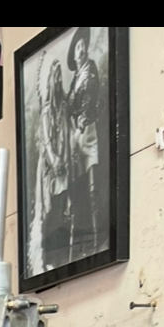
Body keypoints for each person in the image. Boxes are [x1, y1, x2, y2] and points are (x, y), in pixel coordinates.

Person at [30, 53, 70, 274]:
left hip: (63, 167)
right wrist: (55, 161)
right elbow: (45, 141)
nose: (57, 81)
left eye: (59, 77)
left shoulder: (62, 108)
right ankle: (47, 258)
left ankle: (61, 256)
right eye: (54, 77)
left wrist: (64, 160)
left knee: (62, 208)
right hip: (49, 169)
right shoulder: (46, 111)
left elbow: (66, 132)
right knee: (50, 210)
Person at [66, 27, 103, 258]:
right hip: (75, 137)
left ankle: (98, 240)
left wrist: (80, 125)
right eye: (78, 46)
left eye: (83, 46)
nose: (81, 50)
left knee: (92, 186)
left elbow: (90, 100)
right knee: (76, 191)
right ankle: (79, 243)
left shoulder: (90, 71)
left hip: (88, 132)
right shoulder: (74, 79)